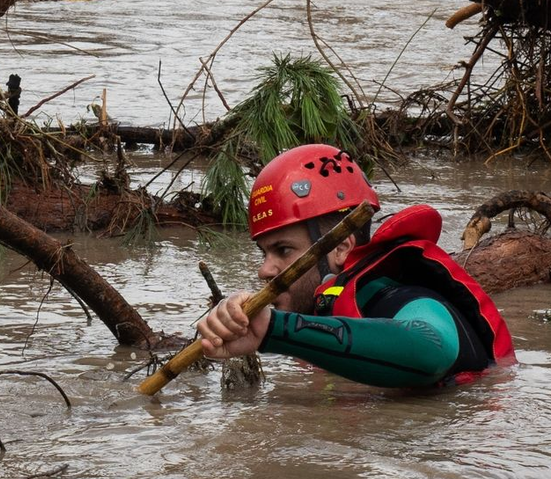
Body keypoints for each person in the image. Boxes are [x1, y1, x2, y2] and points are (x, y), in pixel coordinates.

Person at [196, 143, 514, 388]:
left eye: (283, 250)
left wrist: (274, 330)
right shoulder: (327, 310)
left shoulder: (400, 297)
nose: (265, 270)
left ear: (340, 247)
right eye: (263, 253)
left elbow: (433, 350)